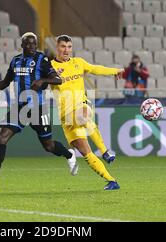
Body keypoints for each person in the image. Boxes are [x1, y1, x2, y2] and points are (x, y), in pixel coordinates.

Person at [0, 32, 77, 191]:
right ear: (22, 45)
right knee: (2, 137)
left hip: (37, 108)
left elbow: (57, 79)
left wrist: (42, 80)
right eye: (28, 44)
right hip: (19, 107)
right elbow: (6, 82)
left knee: (48, 146)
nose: (32, 47)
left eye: (34, 44)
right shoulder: (16, 61)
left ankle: (69, 155)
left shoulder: (42, 60)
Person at [50, 34, 124, 190]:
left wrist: (114, 71)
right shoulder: (49, 67)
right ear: (57, 47)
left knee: (83, 115)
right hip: (65, 117)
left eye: (69, 47)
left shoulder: (78, 62)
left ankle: (105, 151)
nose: (66, 50)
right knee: (86, 152)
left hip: (81, 105)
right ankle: (111, 181)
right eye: (63, 46)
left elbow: (96, 69)